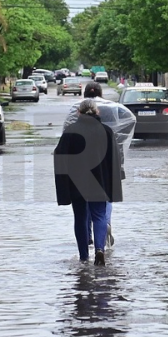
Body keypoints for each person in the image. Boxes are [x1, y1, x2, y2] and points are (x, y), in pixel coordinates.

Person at [64, 81, 135, 249]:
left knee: (83, 203)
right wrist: (120, 142)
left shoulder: (76, 111)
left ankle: (88, 235)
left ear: (84, 96)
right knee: (105, 196)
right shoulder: (112, 109)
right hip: (108, 160)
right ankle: (104, 224)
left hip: (81, 164)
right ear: (101, 93)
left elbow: (67, 132)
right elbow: (131, 119)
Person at [54, 99, 123, 265]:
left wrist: (63, 185)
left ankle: (84, 256)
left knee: (80, 217)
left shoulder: (70, 131)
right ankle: (100, 249)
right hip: (100, 182)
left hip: (76, 183)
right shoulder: (106, 131)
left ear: (79, 112)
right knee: (99, 215)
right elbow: (114, 158)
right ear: (97, 112)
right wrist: (114, 181)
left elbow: (60, 157)